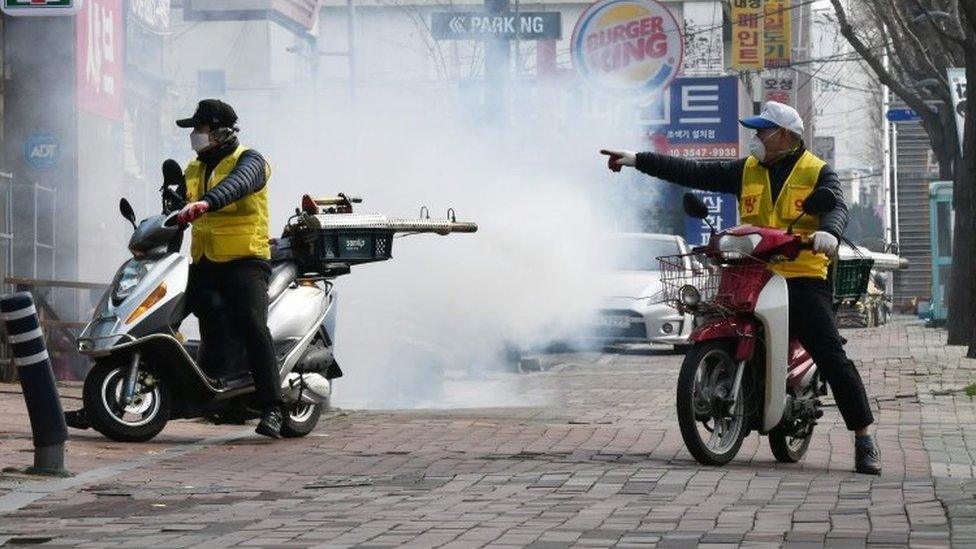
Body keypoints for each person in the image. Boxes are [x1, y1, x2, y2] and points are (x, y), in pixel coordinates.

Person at [600, 101, 881, 475]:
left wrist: (829, 232)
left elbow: (837, 207)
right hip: (751, 271)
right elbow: (692, 171)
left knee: (830, 354)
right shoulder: (745, 170)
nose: (756, 138)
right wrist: (637, 160)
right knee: (718, 316)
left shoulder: (817, 172)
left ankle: (864, 438)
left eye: (763, 131)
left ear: (785, 135)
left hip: (801, 275)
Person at [175, 99, 283, 439]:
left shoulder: (251, 160)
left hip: (245, 262)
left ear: (220, 131)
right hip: (205, 262)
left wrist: (206, 202)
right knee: (165, 309)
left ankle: (273, 408)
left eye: (200, 128)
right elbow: (177, 205)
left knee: (253, 325)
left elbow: (237, 185)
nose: (194, 135)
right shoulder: (193, 168)